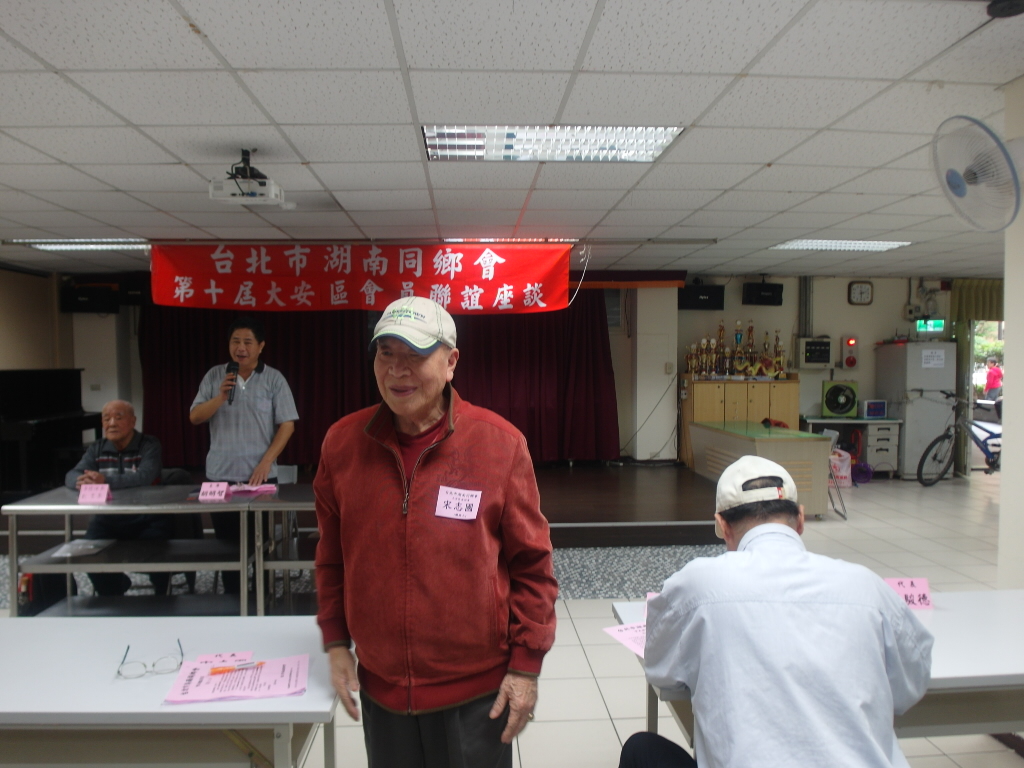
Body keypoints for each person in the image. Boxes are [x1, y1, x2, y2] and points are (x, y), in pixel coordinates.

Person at [314, 296, 558, 768]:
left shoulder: (499, 444)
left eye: (415, 355)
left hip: (476, 695)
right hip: (383, 691)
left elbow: (533, 566)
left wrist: (526, 667)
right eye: (386, 353)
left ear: (451, 363)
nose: (396, 370)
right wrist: (336, 640)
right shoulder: (343, 444)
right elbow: (332, 557)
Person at [622, 455, 933, 768]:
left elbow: (661, 670)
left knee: (641, 749)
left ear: (723, 526)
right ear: (800, 520)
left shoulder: (699, 584)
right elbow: (911, 685)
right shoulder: (866, 586)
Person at [189, 316, 298, 594]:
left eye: (248, 342)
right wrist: (219, 397)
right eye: (235, 341)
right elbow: (195, 416)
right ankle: (233, 598)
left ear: (261, 346)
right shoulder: (215, 376)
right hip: (219, 476)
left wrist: (266, 462)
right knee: (227, 545)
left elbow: (287, 425)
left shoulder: (274, 379)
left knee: (261, 542)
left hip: (260, 476)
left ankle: (263, 596)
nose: (241, 348)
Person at [64, 399, 170, 596]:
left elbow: (145, 477)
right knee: (87, 554)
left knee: (159, 555)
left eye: (118, 418)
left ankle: (162, 597)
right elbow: (71, 475)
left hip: (147, 518)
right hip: (107, 520)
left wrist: (105, 481)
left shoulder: (149, 445)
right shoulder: (97, 447)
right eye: (107, 419)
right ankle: (114, 593)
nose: (112, 423)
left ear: (133, 421)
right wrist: (82, 481)